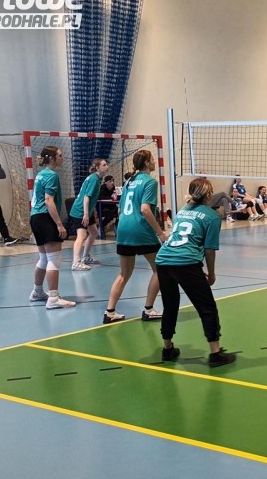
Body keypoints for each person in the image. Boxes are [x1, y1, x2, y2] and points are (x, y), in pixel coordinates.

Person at [154, 177, 236, 367]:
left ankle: (167, 349)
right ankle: (215, 353)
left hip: (163, 260)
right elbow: (209, 249)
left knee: (170, 305)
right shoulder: (212, 216)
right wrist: (211, 273)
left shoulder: (183, 210)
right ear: (209, 194)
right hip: (186, 262)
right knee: (207, 308)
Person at [104, 149, 168, 324]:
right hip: (140, 229)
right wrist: (160, 233)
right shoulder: (150, 182)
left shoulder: (129, 181)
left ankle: (110, 312)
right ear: (146, 163)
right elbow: (145, 209)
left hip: (123, 228)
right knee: (160, 269)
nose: (154, 162)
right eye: (152, 159)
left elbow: (121, 207)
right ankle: (149, 309)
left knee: (124, 273)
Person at [28, 146, 76, 309]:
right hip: (45, 218)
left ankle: (37, 292)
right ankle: (53, 298)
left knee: (43, 258)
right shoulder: (51, 175)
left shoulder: (40, 175)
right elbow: (49, 201)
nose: (63, 158)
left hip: (35, 217)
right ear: (52, 158)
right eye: (60, 155)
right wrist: (59, 224)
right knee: (54, 259)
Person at [66, 158, 109, 271]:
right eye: (104, 165)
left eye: (106, 164)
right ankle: (76, 262)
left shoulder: (96, 179)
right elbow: (86, 197)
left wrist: (92, 212)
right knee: (82, 235)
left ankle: (85, 256)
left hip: (87, 211)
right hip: (80, 211)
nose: (107, 166)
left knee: (94, 232)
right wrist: (85, 214)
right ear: (97, 167)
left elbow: (92, 199)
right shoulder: (94, 179)